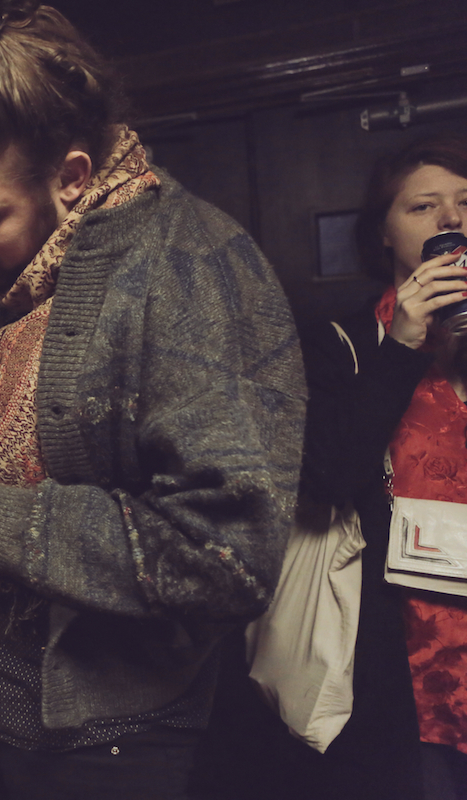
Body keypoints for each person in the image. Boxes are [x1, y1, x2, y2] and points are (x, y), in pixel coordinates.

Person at [0, 1, 307, 797]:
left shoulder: (191, 266)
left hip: (111, 744)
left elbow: (223, 556)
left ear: (71, 177)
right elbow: (38, 434)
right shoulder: (17, 269)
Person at [273, 133, 467, 800]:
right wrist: (404, 345)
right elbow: (324, 480)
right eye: (423, 207)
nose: (452, 220)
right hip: (403, 662)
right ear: (382, 233)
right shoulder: (342, 346)